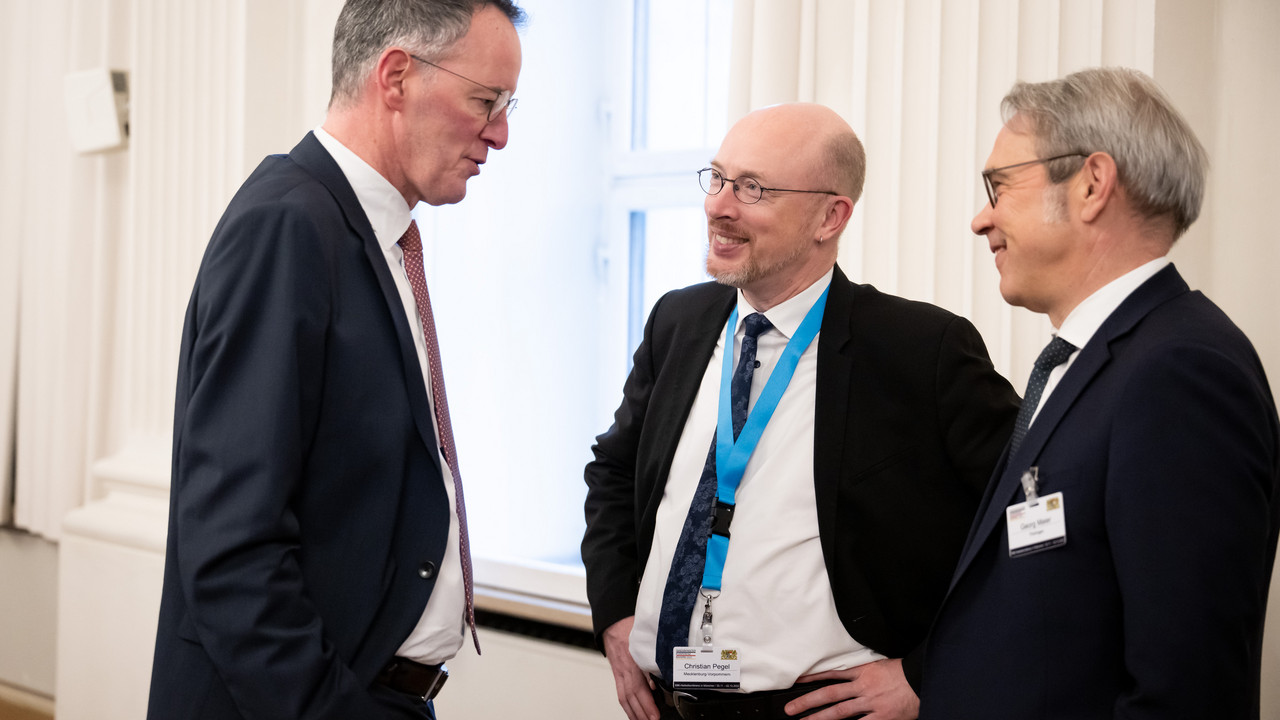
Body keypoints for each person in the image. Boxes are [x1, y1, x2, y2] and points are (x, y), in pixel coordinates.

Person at [581, 102, 1020, 720]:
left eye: (753, 188)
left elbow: (1024, 522)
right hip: (666, 704)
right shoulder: (677, 323)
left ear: (829, 216)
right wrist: (616, 613)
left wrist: (927, 671)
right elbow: (614, 471)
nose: (718, 206)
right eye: (718, 178)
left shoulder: (921, 352)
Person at [145, 1, 523, 718]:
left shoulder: (370, 235)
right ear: (396, 77)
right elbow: (232, 548)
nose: (501, 134)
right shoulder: (289, 226)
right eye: (486, 101)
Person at [920, 67, 1280, 720]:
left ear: (1091, 184)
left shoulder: (1180, 370)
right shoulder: (1095, 361)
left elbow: (1187, 688)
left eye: (998, 186)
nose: (981, 219)